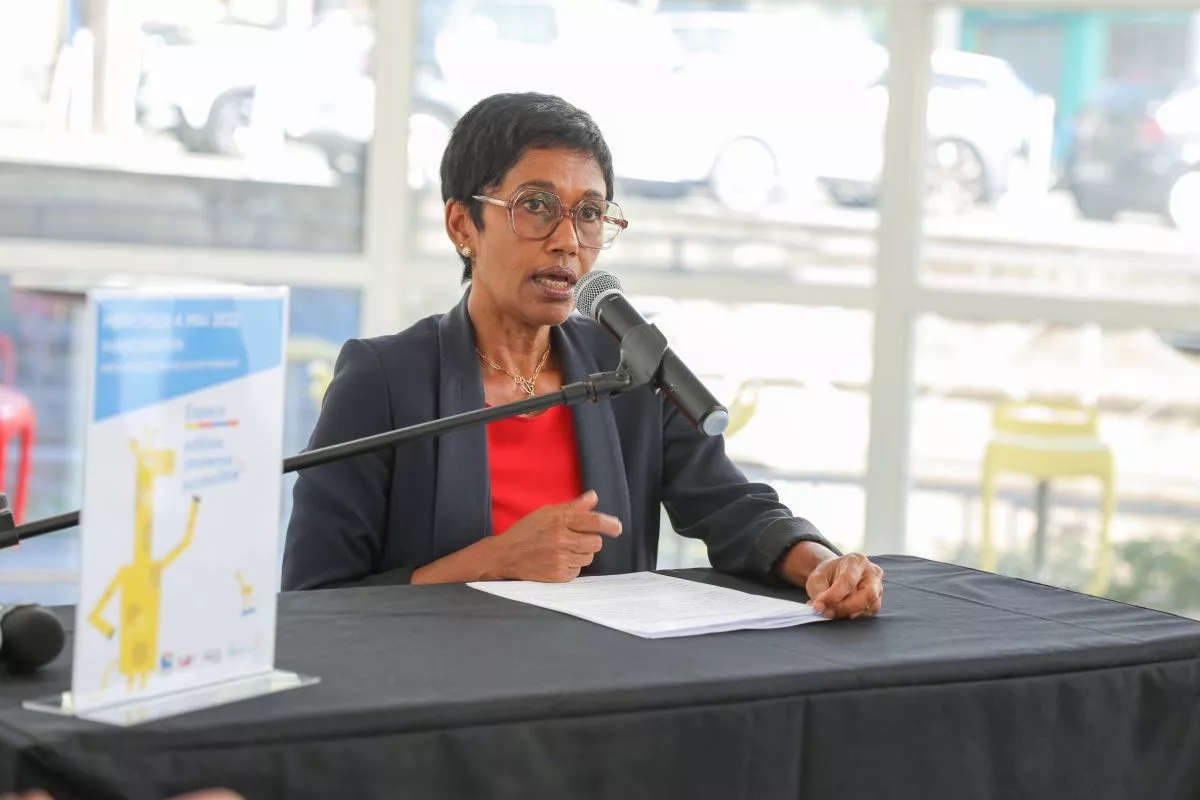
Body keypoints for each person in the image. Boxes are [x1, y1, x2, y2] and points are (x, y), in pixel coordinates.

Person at [282, 92, 883, 620]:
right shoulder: (383, 380)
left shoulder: (628, 367)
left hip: (604, 688)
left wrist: (823, 566)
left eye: (589, 213)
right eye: (536, 206)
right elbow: (313, 600)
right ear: (463, 225)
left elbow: (733, 510)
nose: (568, 240)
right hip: (438, 693)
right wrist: (495, 560)